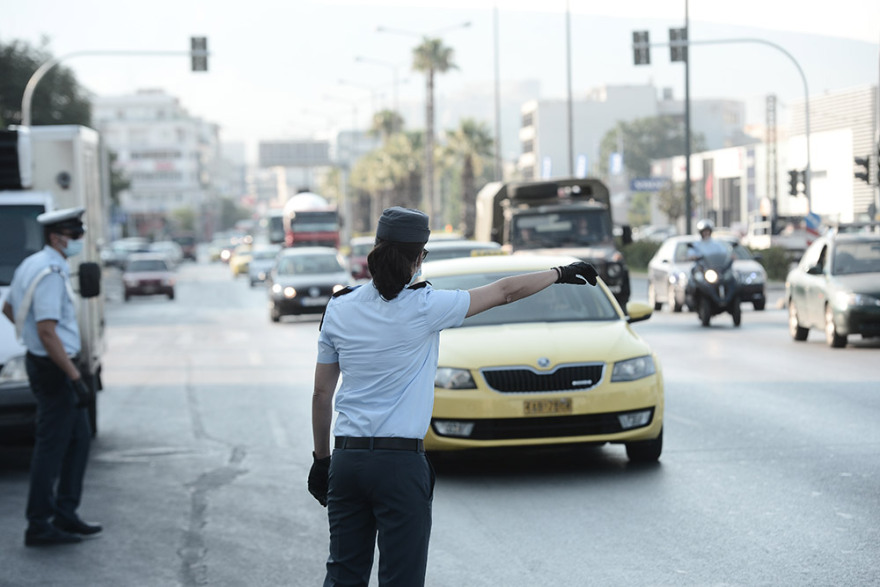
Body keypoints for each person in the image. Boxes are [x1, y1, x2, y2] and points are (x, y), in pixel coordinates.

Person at [308, 206, 598, 587]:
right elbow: (505, 291)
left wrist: (321, 460)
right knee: (401, 579)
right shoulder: (427, 307)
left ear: (376, 250)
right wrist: (559, 273)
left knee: (343, 574)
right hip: (399, 466)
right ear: (418, 258)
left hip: (347, 461)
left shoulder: (340, 308)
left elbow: (321, 393)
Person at [1, 207, 102, 547]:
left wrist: (25, 334)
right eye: (75, 236)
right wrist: (75, 377)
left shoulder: (32, 263)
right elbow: (47, 332)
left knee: (79, 439)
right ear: (56, 237)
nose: (78, 241)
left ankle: (65, 513)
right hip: (55, 369)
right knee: (51, 447)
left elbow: (8, 307)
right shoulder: (49, 272)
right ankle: (39, 523)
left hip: (47, 364)